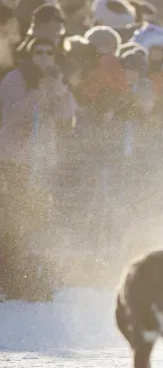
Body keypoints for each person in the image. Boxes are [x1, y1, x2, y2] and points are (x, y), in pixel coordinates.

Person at [0, 37, 75, 301]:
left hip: (42, 161)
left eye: (49, 52)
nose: (44, 57)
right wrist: (36, 95)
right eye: (39, 52)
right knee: (13, 220)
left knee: (37, 219)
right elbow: (10, 116)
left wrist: (60, 93)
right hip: (14, 160)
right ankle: (10, 278)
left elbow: (68, 118)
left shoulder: (56, 80)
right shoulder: (16, 79)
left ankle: (31, 276)